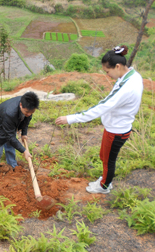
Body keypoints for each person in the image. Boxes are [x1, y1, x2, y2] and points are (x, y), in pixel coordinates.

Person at [55, 45, 143, 194]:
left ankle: (104, 186)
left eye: (107, 71)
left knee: (108, 160)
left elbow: (101, 107)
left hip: (116, 130)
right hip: (115, 126)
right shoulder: (131, 75)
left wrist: (70, 119)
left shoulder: (128, 87)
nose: (107, 75)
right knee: (104, 155)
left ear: (117, 66)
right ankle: (105, 180)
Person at [0, 92, 39, 178]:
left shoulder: (28, 107)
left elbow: (26, 121)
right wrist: (24, 151)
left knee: (10, 145)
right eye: (27, 112)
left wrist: (24, 133)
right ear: (21, 105)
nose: (29, 114)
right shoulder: (10, 112)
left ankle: (12, 164)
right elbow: (10, 136)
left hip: (10, 124)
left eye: (32, 112)